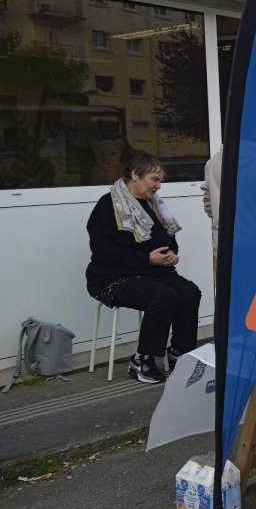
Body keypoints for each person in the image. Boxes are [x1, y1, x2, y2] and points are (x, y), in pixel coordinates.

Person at [85, 153, 201, 384]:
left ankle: (179, 353)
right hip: (111, 278)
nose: (158, 186)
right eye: (154, 179)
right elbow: (103, 251)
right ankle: (142, 360)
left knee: (190, 292)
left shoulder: (152, 205)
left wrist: (170, 255)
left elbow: (166, 238)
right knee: (163, 297)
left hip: (151, 272)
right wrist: (147, 259)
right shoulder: (108, 205)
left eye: (160, 181)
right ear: (135, 175)